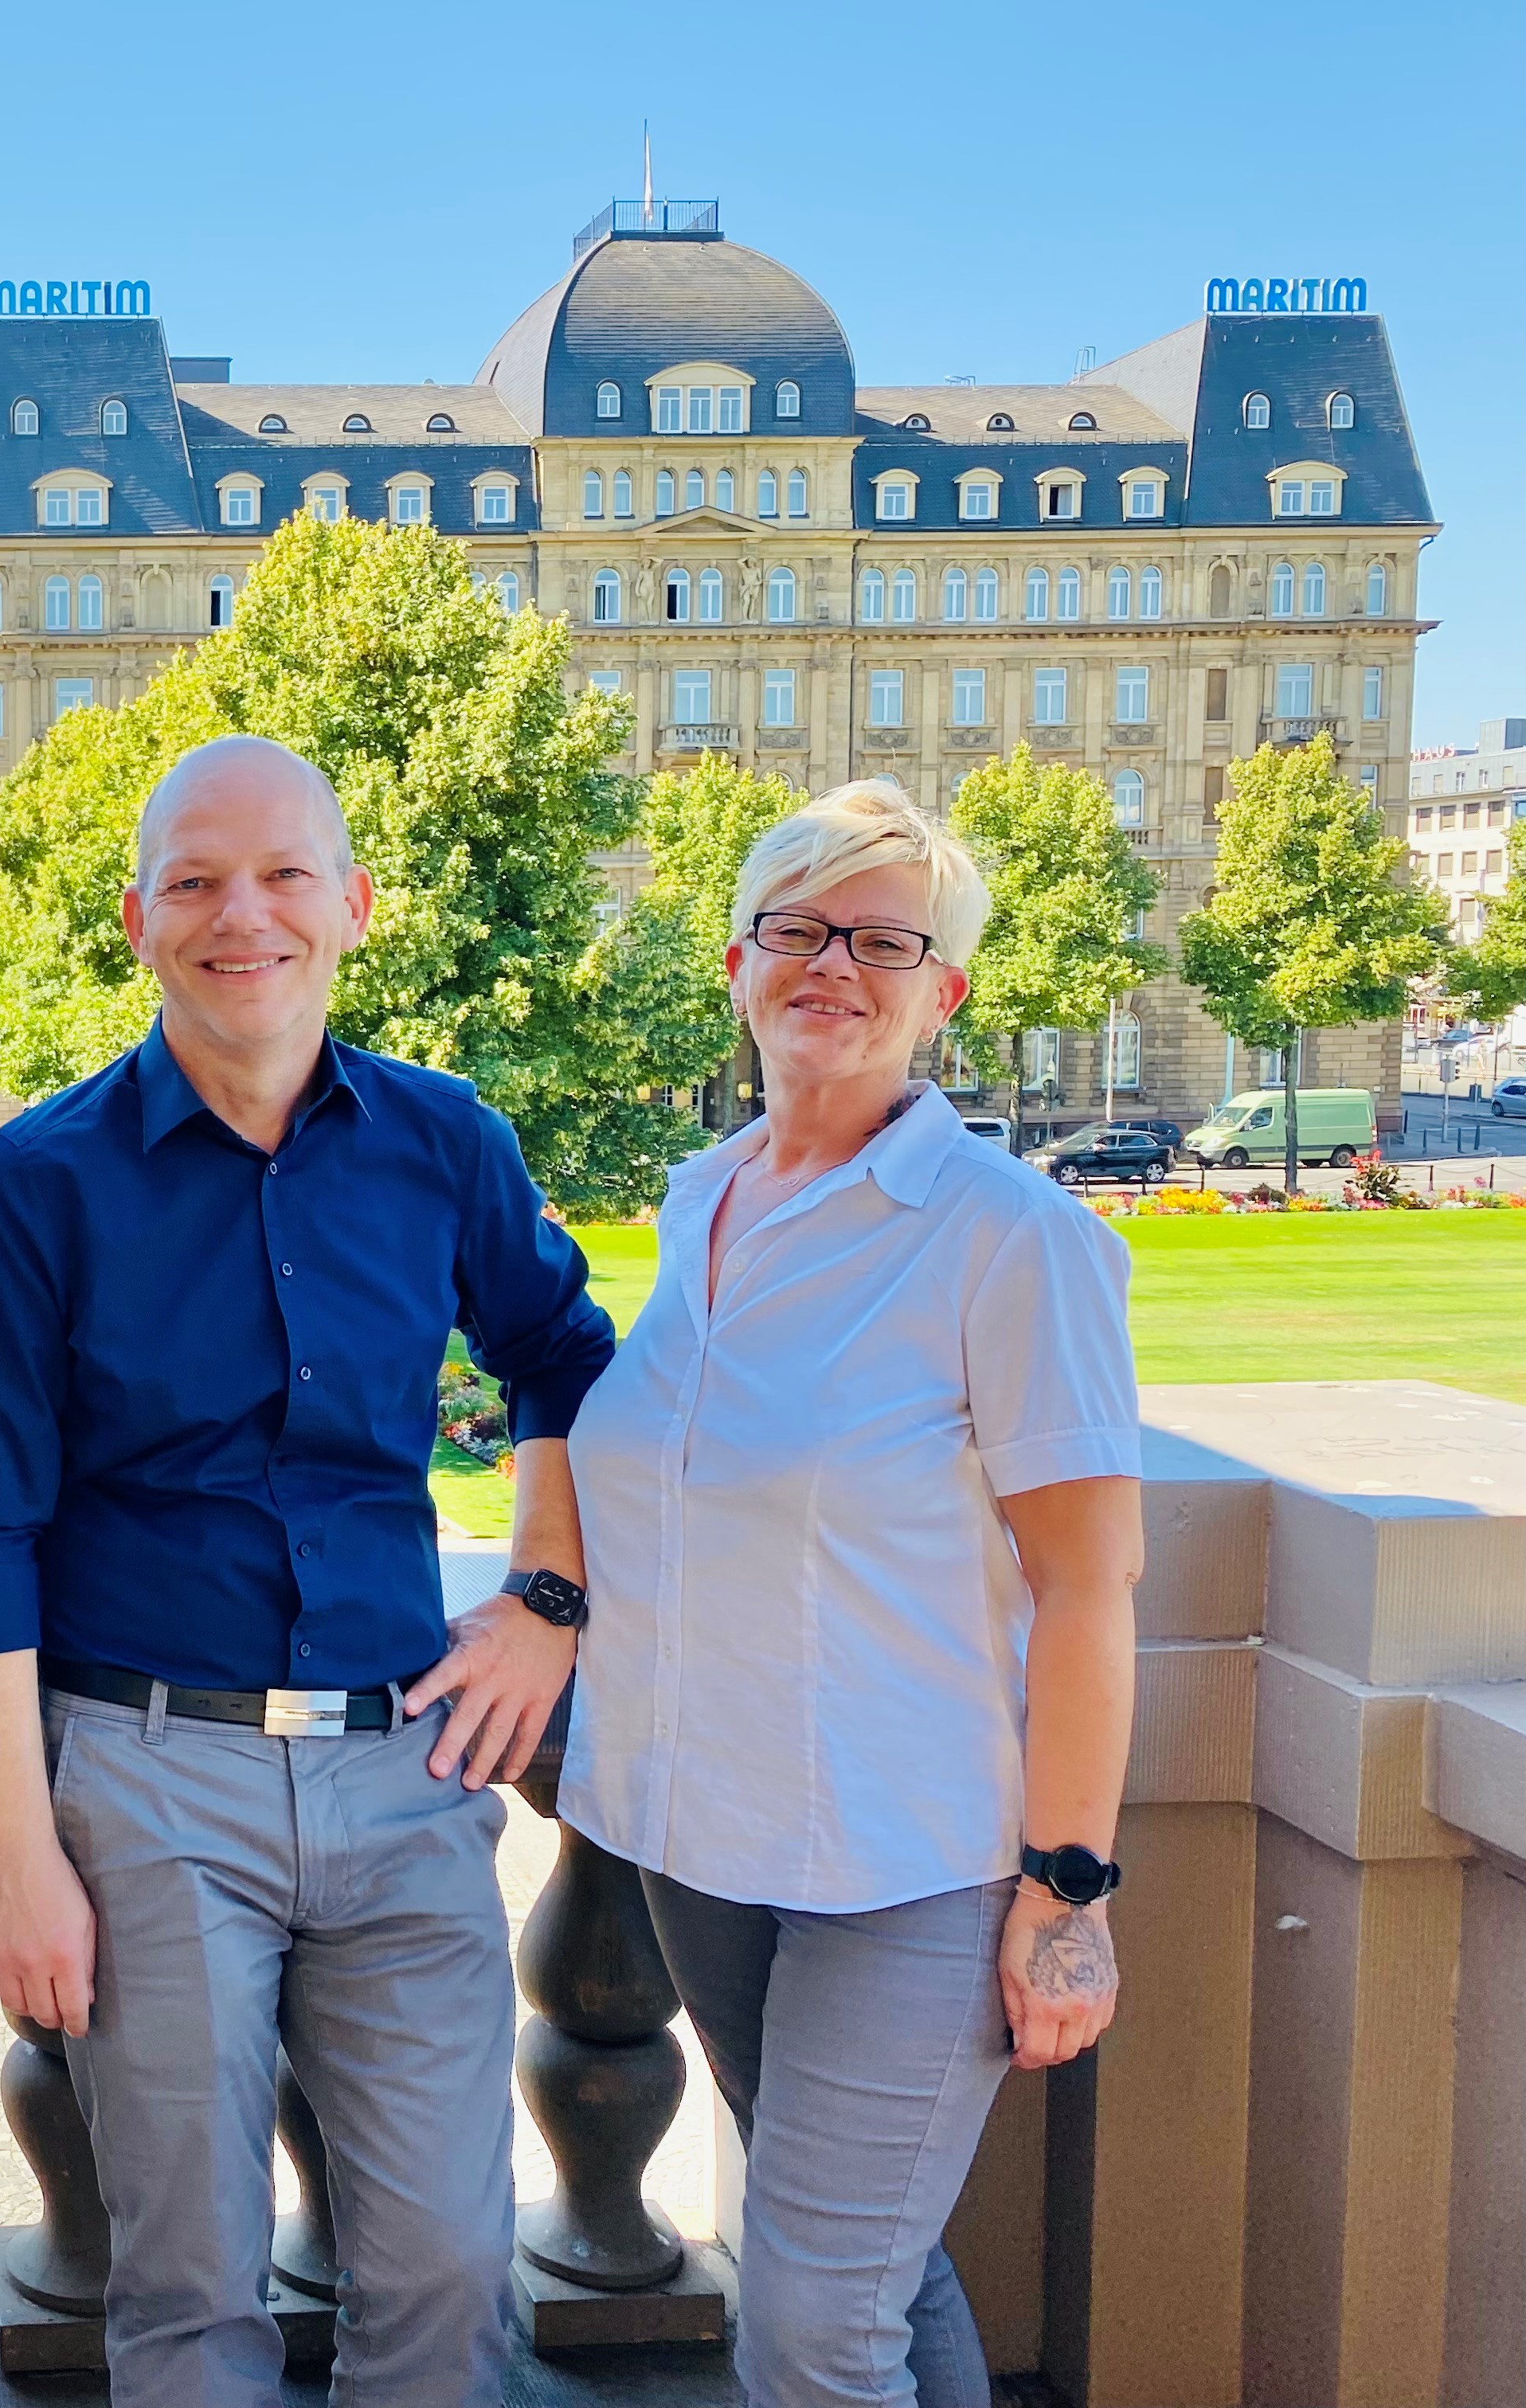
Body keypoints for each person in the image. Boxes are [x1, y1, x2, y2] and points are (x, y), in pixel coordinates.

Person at [0, 733, 616, 2405]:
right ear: (141, 918)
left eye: (287, 874)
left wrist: (549, 1598)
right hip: (147, 1782)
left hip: (407, 1771)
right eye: (198, 881)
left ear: (355, 905)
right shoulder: (38, 1187)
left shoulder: (448, 1145)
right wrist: (17, 1850)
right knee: (186, 2293)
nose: (247, 915)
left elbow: (570, 1362)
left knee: (449, 2273)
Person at [564, 778, 1140, 2408]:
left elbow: (1092, 1591)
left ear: (944, 992)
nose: (836, 965)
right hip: (708, 1841)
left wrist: (1069, 1892)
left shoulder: (1010, 1241)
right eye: (798, 929)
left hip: (910, 1864)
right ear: (740, 965)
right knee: (869, 2271)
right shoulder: (705, 1202)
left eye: (885, 939)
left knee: (813, 2318)